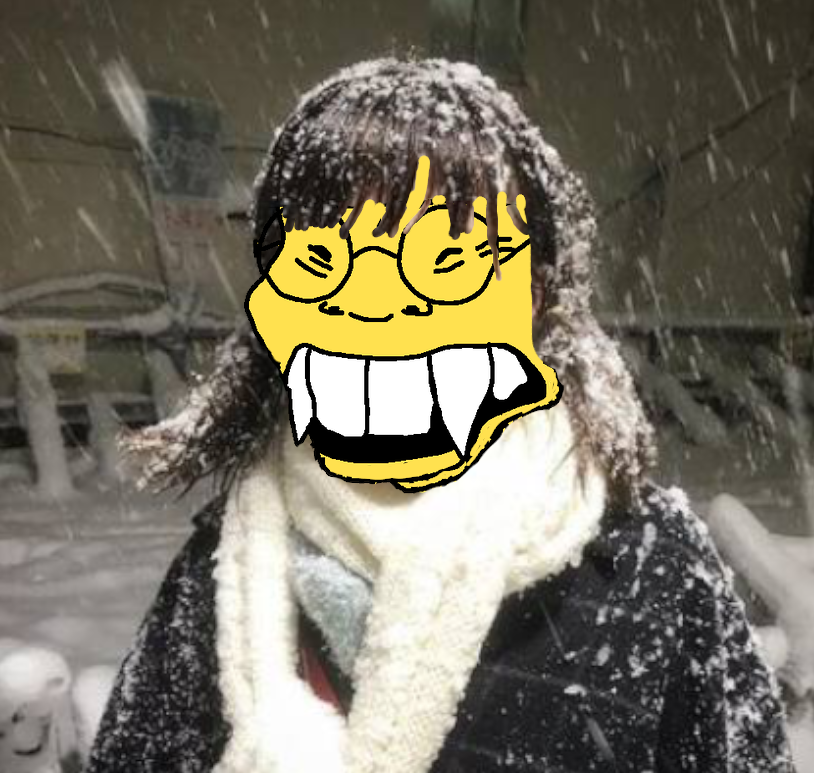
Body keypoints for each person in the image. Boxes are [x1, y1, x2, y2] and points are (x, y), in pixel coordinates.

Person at [85, 58, 796, 773]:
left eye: (448, 261)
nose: (377, 306)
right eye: (323, 261)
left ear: (536, 295)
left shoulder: (652, 568)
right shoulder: (221, 568)